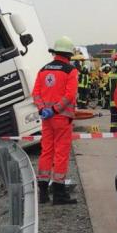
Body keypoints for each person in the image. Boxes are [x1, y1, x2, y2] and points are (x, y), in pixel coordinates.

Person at [32, 36, 79, 205]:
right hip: (62, 118)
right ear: (69, 54)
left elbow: (35, 93)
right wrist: (55, 109)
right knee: (60, 153)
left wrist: (42, 109)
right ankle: (59, 194)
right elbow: (69, 95)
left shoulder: (43, 70)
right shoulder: (70, 70)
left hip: (46, 118)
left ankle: (43, 192)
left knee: (46, 152)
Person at [106, 60, 117, 132]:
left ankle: (113, 131)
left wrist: (107, 97)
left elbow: (108, 87)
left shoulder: (110, 75)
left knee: (113, 117)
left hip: (112, 100)